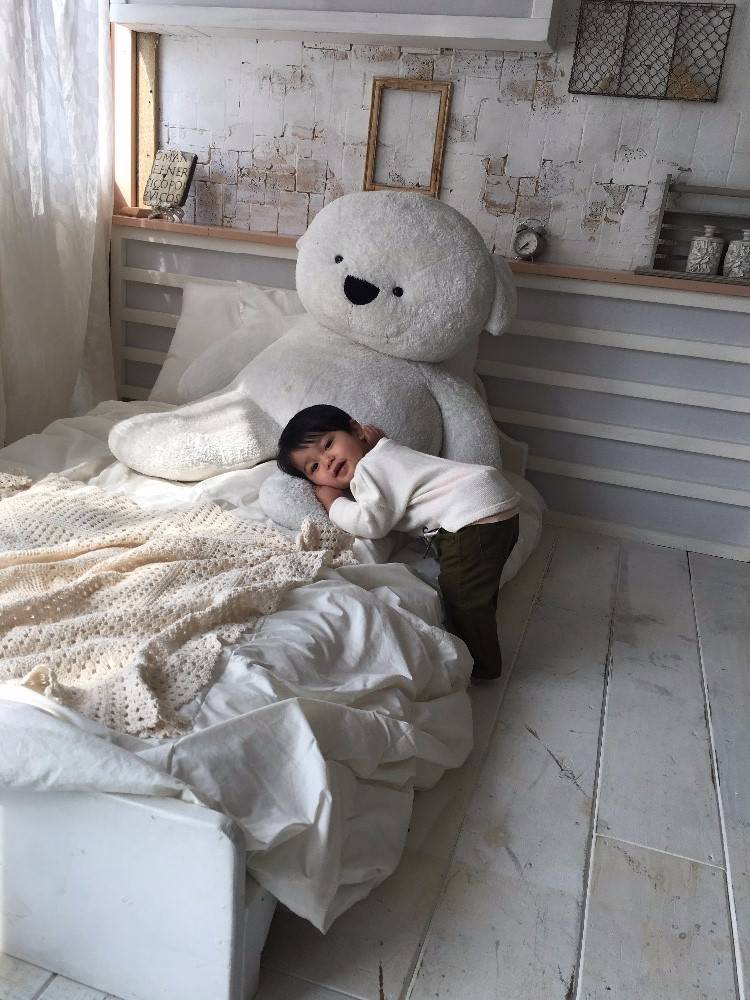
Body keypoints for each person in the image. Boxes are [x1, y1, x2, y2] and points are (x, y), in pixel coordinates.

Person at [277, 404, 520, 681]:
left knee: (461, 595)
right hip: (490, 500)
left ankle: (482, 666)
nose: (328, 460)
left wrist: (334, 503)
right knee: (476, 579)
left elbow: (372, 523)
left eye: (328, 444)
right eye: (314, 466)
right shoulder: (387, 452)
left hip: (472, 515)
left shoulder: (368, 469)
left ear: (356, 430)